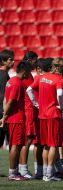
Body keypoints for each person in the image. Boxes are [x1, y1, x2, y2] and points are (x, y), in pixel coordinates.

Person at [27, 58, 63, 181]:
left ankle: (44, 173)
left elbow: (29, 90)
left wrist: (36, 103)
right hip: (53, 115)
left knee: (45, 145)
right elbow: (60, 93)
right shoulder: (60, 79)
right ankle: (50, 174)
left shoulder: (41, 77)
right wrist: (60, 105)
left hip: (42, 115)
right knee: (54, 144)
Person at [1, 61, 31, 181]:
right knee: (16, 145)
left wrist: (5, 115)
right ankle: (13, 173)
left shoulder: (10, 81)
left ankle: (15, 171)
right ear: (24, 71)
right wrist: (5, 116)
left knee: (15, 145)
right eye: (28, 72)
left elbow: (5, 99)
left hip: (13, 118)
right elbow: (11, 101)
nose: (29, 74)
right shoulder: (17, 83)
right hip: (17, 119)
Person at [19, 51, 38, 179]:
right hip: (28, 110)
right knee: (28, 140)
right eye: (35, 60)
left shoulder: (28, 74)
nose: (36, 63)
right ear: (30, 60)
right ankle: (23, 169)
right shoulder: (26, 75)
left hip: (28, 109)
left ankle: (21, 168)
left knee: (27, 140)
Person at [0, 49, 14, 177]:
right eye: (10, 59)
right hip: (2, 113)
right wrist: (4, 114)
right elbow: (3, 96)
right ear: (4, 61)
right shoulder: (4, 75)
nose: (13, 61)